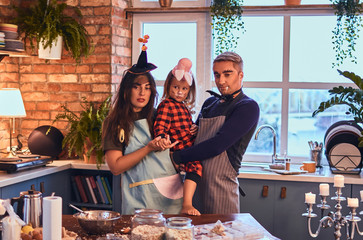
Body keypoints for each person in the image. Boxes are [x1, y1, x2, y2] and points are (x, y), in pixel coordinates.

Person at [102, 35, 183, 214]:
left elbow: (181, 145)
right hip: (138, 196)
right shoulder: (114, 123)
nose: (142, 92)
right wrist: (148, 148)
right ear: (126, 90)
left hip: (170, 194)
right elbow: (115, 167)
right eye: (137, 86)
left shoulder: (161, 116)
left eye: (147, 88)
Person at [171, 51, 260, 214]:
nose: (221, 81)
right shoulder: (210, 102)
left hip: (221, 189)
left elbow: (217, 145)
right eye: (217, 75)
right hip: (193, 184)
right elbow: (192, 136)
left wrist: (177, 156)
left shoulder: (247, 107)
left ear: (241, 75)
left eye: (227, 74)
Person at [153, 58, 201, 216]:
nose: (180, 92)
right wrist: (160, 137)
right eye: (176, 87)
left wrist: (193, 128)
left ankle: (186, 202)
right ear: (168, 86)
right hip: (178, 149)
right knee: (195, 166)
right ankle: (187, 204)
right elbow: (161, 124)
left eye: (184, 89)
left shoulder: (184, 107)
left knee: (196, 167)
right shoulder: (166, 105)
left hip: (188, 147)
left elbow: (187, 125)